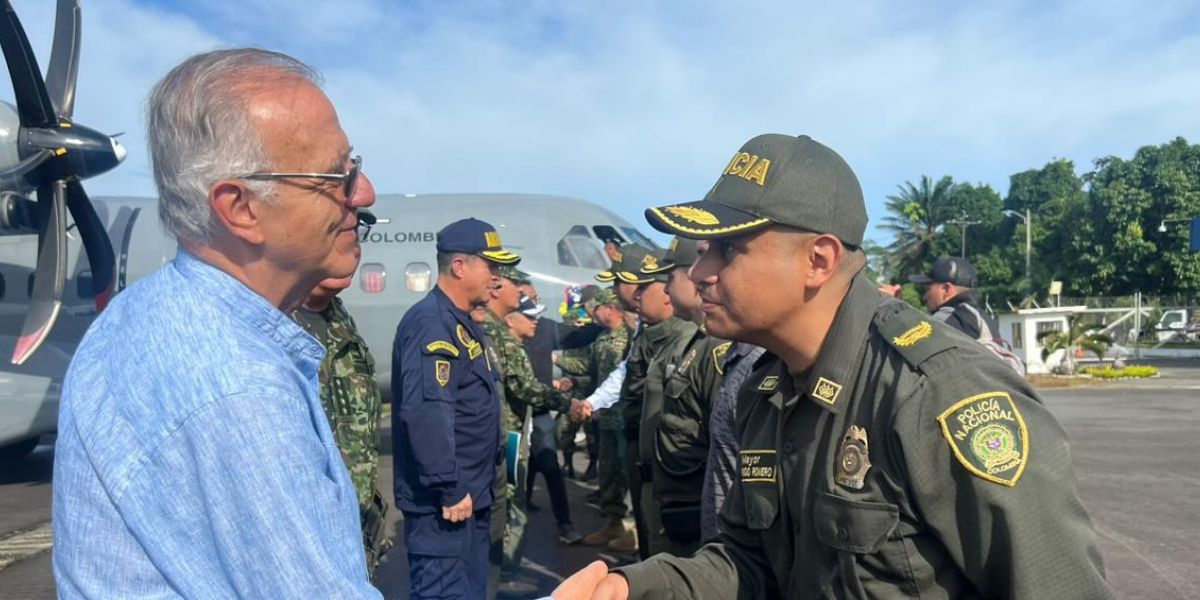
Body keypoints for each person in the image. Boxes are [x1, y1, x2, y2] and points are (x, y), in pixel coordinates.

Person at [555, 133, 1113, 599]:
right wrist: (633, 588)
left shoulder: (938, 394)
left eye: (727, 248)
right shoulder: (763, 391)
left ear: (817, 260)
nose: (700, 274)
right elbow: (754, 563)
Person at [52, 48, 380, 598]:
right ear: (240, 208)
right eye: (336, 175)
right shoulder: (238, 386)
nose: (363, 194)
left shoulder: (146, 309)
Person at [392, 217, 518, 600]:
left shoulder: (461, 324)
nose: (498, 277)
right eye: (491, 266)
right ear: (460, 266)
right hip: (446, 506)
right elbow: (428, 411)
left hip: (470, 497)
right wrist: (449, 487)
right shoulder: (433, 324)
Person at [290, 248, 390, 574]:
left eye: (358, 230)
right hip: (303, 549)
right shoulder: (266, 321)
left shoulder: (337, 318)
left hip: (354, 537)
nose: (351, 244)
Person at [481, 265, 579, 595]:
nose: (535, 322)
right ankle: (505, 575)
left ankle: (503, 574)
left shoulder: (495, 334)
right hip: (508, 436)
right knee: (513, 509)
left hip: (509, 434)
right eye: (529, 315)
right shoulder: (506, 342)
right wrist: (568, 403)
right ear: (511, 319)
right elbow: (526, 388)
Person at [637, 237, 728, 556]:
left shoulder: (716, 349)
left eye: (670, 278)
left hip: (694, 513)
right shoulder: (694, 344)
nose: (664, 289)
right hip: (673, 500)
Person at [574, 288, 633, 548]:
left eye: (595, 310)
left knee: (627, 472)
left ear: (609, 308)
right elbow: (590, 367)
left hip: (626, 418)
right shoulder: (602, 339)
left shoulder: (631, 336)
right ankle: (613, 523)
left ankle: (630, 529)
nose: (592, 315)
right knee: (608, 470)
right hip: (606, 416)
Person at [909, 256, 998, 339]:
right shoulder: (984, 319)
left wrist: (895, 304)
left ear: (947, 290)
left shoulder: (947, 320)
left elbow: (906, 346)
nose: (924, 297)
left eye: (928, 289)